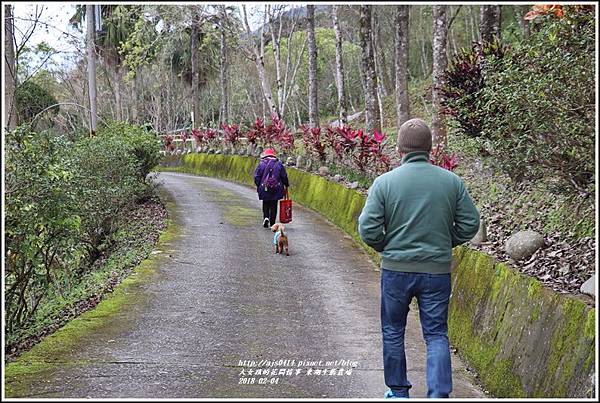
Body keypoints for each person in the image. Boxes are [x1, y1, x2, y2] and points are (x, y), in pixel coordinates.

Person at [358, 118, 480, 399]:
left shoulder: (384, 183)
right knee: (436, 334)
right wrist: (446, 242)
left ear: (400, 148)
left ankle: (398, 392)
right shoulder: (451, 182)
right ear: (430, 148)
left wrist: (385, 246)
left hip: (396, 271)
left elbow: (368, 228)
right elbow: (470, 224)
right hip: (436, 271)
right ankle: (438, 395)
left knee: (392, 330)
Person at [253, 148, 289, 228]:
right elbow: (284, 176)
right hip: (276, 187)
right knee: (274, 204)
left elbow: (257, 176)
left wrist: (259, 185)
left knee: (265, 203)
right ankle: (272, 223)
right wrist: (286, 184)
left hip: (264, 187)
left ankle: (266, 217)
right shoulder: (278, 164)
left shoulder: (261, 164)